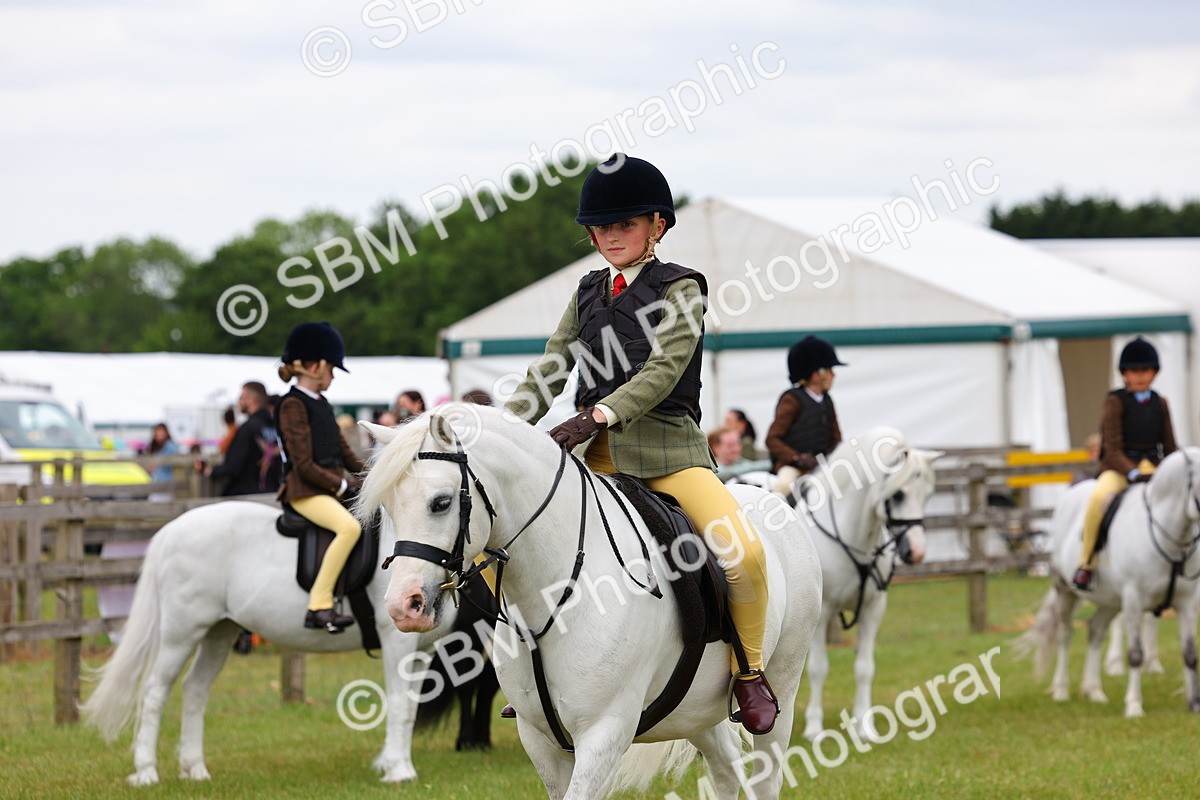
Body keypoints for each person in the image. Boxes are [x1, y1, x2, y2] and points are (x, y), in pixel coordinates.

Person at [502, 154, 779, 735]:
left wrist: (600, 412)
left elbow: (664, 368)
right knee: (496, 543)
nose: (609, 238)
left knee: (744, 553)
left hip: (669, 455)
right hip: (592, 461)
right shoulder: (586, 292)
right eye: (600, 229)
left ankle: (749, 669)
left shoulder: (681, 289)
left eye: (623, 226)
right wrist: (500, 427)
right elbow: (552, 366)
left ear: (657, 225)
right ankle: (528, 671)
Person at [275, 321, 367, 633]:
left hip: (325, 488)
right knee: (348, 528)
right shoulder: (291, 405)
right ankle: (319, 604)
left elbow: (344, 452)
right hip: (304, 490)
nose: (333, 377)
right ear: (316, 367)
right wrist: (342, 484)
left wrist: (371, 476)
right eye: (332, 370)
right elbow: (302, 464)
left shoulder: (322, 404)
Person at [1072, 337, 1178, 590]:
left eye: (1146, 371)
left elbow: (1170, 445)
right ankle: (1086, 563)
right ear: (1124, 374)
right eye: (1134, 371)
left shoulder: (1160, 403)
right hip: (1119, 467)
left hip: (1152, 466)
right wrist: (1130, 472)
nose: (1140, 377)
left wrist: (1173, 469)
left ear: (1154, 373)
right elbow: (1112, 446)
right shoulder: (1115, 402)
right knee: (1099, 498)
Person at [766, 335, 846, 499]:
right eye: (830, 370)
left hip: (821, 466)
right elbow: (772, 439)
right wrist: (798, 458)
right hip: (793, 467)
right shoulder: (792, 399)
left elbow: (836, 438)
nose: (834, 375)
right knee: (783, 486)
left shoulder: (827, 401)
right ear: (816, 374)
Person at [207, 381, 281, 496]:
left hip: (246, 496)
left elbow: (233, 467)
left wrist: (212, 471)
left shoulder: (248, 428)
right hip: (272, 493)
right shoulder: (275, 427)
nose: (239, 401)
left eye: (242, 397)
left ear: (252, 400)